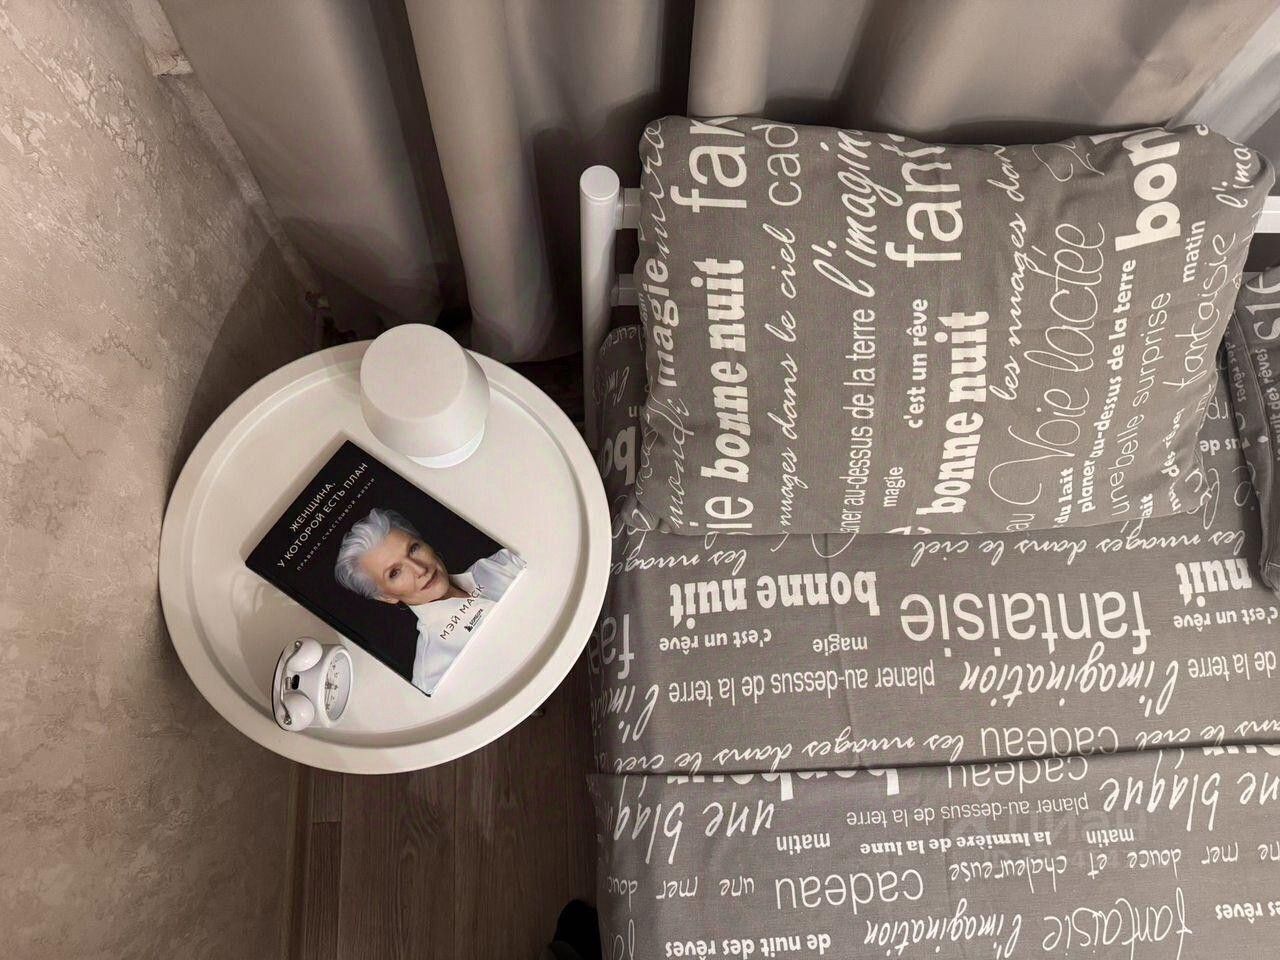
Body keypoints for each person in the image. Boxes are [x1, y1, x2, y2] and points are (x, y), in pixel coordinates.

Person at [333, 507, 524, 694]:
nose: (420, 569)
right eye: (395, 572)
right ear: (386, 596)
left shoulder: (500, 563)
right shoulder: (431, 674)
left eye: (413, 549)